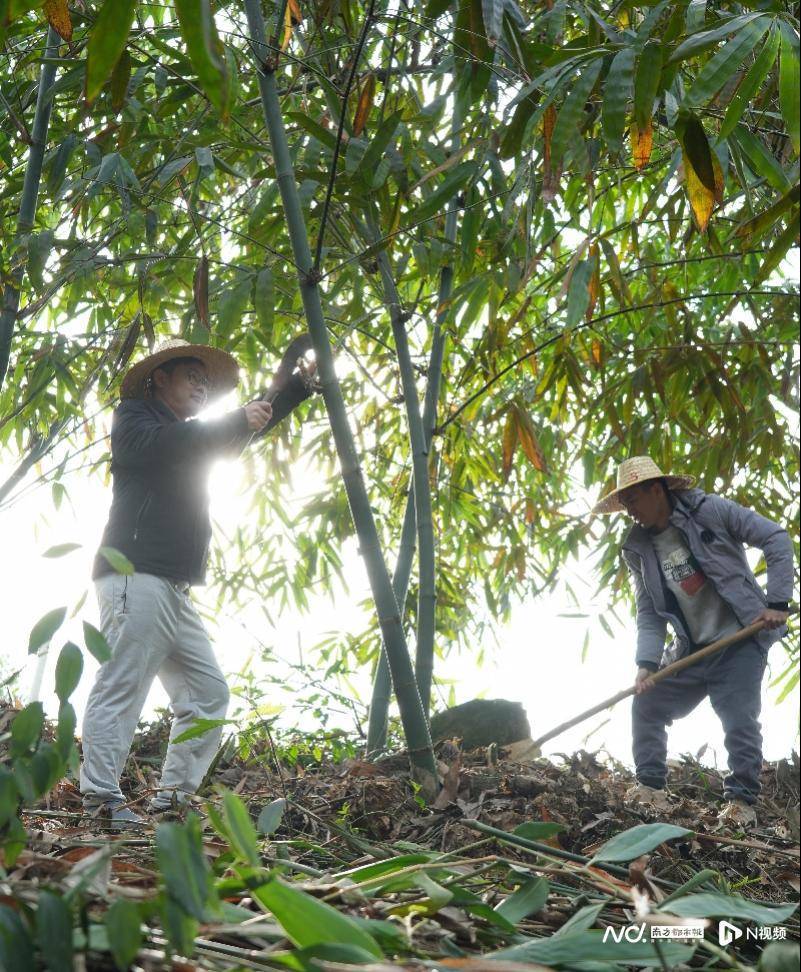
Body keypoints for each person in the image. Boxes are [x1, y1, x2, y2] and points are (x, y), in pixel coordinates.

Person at [80, 338, 314, 828]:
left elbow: (234, 438)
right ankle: (100, 801)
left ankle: (170, 803)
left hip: (174, 588)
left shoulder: (189, 437)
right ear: (160, 377)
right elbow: (176, 443)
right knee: (122, 683)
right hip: (134, 574)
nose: (202, 387)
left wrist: (292, 387)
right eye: (193, 376)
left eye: (207, 383)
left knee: (207, 694)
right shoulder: (135, 419)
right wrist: (234, 420)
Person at [592, 456, 792, 828]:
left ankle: (741, 804)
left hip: (739, 639)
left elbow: (775, 538)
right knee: (647, 702)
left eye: (633, 500)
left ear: (657, 490)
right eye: (625, 505)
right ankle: (651, 790)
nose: (630, 511)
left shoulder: (709, 511)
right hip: (692, 649)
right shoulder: (639, 549)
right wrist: (647, 665)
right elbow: (650, 612)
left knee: (737, 717)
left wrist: (776, 602)